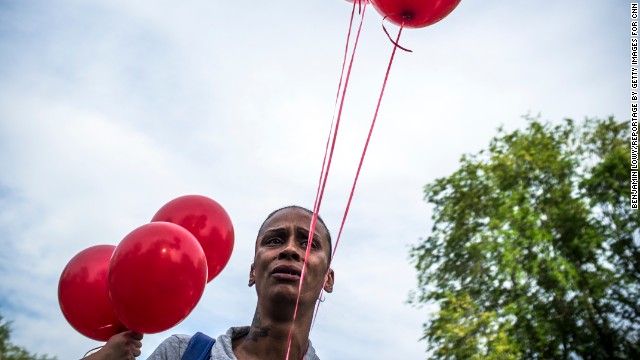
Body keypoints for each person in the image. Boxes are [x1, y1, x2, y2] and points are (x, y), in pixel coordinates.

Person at [85, 205, 335, 360]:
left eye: (309, 244)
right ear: (252, 273)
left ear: (328, 279)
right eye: (274, 241)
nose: (290, 250)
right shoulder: (182, 353)